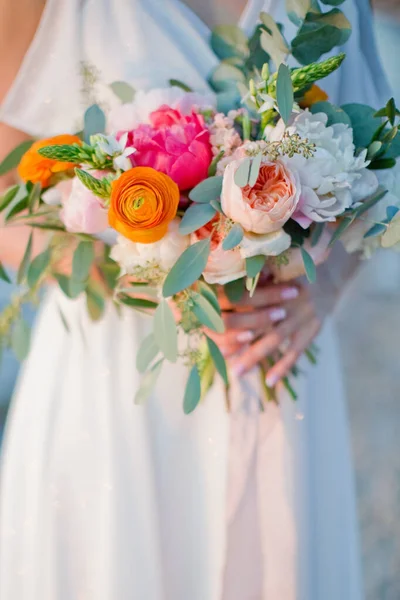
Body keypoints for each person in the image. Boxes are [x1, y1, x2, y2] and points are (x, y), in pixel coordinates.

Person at [0, 0, 391, 598]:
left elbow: (377, 179)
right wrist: (149, 273)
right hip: (120, 370)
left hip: (278, 355)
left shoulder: (331, 9)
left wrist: (324, 288)